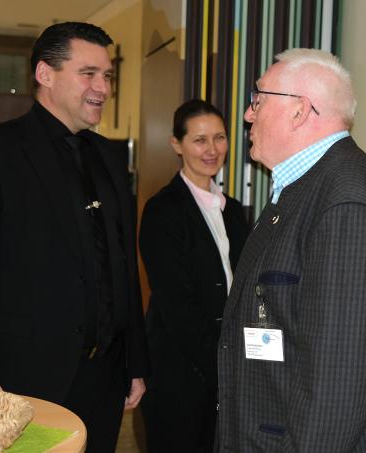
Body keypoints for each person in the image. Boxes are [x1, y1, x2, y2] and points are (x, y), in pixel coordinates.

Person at [0, 22, 148, 451]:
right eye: (88, 73)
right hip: (24, 376)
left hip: (104, 378)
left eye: (107, 76)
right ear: (44, 74)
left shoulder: (110, 156)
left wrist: (135, 362)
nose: (102, 87)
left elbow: (122, 265)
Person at [215, 48, 366, 451]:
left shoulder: (346, 201)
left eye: (258, 99)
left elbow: (339, 382)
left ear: (298, 110)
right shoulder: (306, 188)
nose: (248, 115)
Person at [139, 99, 248, 452]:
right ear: (177, 144)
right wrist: (221, 368)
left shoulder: (233, 211)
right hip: (180, 371)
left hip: (226, 365)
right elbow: (177, 306)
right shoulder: (163, 211)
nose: (212, 150)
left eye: (220, 138)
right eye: (200, 140)